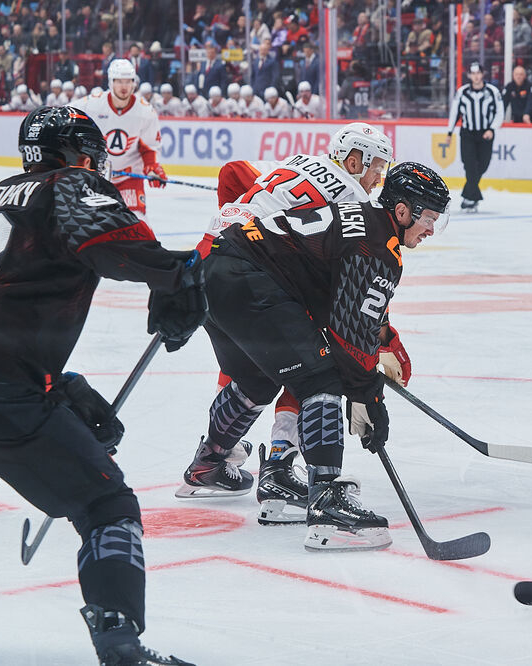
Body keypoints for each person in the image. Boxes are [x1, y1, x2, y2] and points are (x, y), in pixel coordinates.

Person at [0, 106, 203, 665]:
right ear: (80, 153)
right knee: (106, 504)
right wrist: (178, 275)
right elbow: (109, 240)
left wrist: (56, 383)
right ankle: (121, 648)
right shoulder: (71, 183)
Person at [185, 162, 448, 550]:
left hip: (212, 272)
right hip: (247, 278)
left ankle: (210, 461)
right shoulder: (379, 244)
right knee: (321, 378)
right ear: (403, 211)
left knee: (258, 380)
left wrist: (371, 368)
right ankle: (328, 503)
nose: (430, 229)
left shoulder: (364, 221)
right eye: (427, 218)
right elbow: (349, 334)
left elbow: (347, 309)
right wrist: (368, 396)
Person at [77, 59, 167, 222]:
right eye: (119, 81)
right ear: (111, 82)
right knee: (92, 225)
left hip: (130, 178)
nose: (124, 86)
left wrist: (153, 168)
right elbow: (66, 117)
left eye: (128, 81)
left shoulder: (145, 111)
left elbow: (149, 148)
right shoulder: (92, 104)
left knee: (137, 223)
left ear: (134, 83)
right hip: (98, 177)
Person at [446, 62, 503, 212]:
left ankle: (468, 195)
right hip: (468, 133)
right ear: (469, 75)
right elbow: (454, 113)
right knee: (470, 165)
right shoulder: (462, 92)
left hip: (486, 133)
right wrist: (449, 132)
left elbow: (500, 112)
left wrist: (492, 129)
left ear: (483, 74)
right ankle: (471, 198)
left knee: (483, 165)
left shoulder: (492, 91)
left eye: (478, 73)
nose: (476, 76)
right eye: (473, 73)